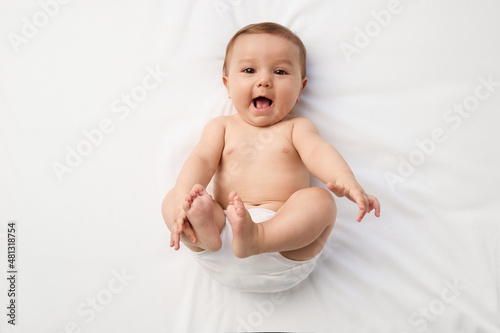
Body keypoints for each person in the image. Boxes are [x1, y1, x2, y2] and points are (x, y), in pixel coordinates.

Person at [161, 22, 380, 292]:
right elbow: (201, 160)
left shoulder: (297, 128)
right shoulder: (222, 127)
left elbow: (317, 151)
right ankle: (205, 229)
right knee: (173, 198)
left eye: (279, 71)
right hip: (220, 238)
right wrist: (184, 201)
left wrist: (344, 179)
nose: (264, 80)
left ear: (301, 88)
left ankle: (259, 237)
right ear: (227, 84)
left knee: (321, 200)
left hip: (284, 247)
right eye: (249, 70)